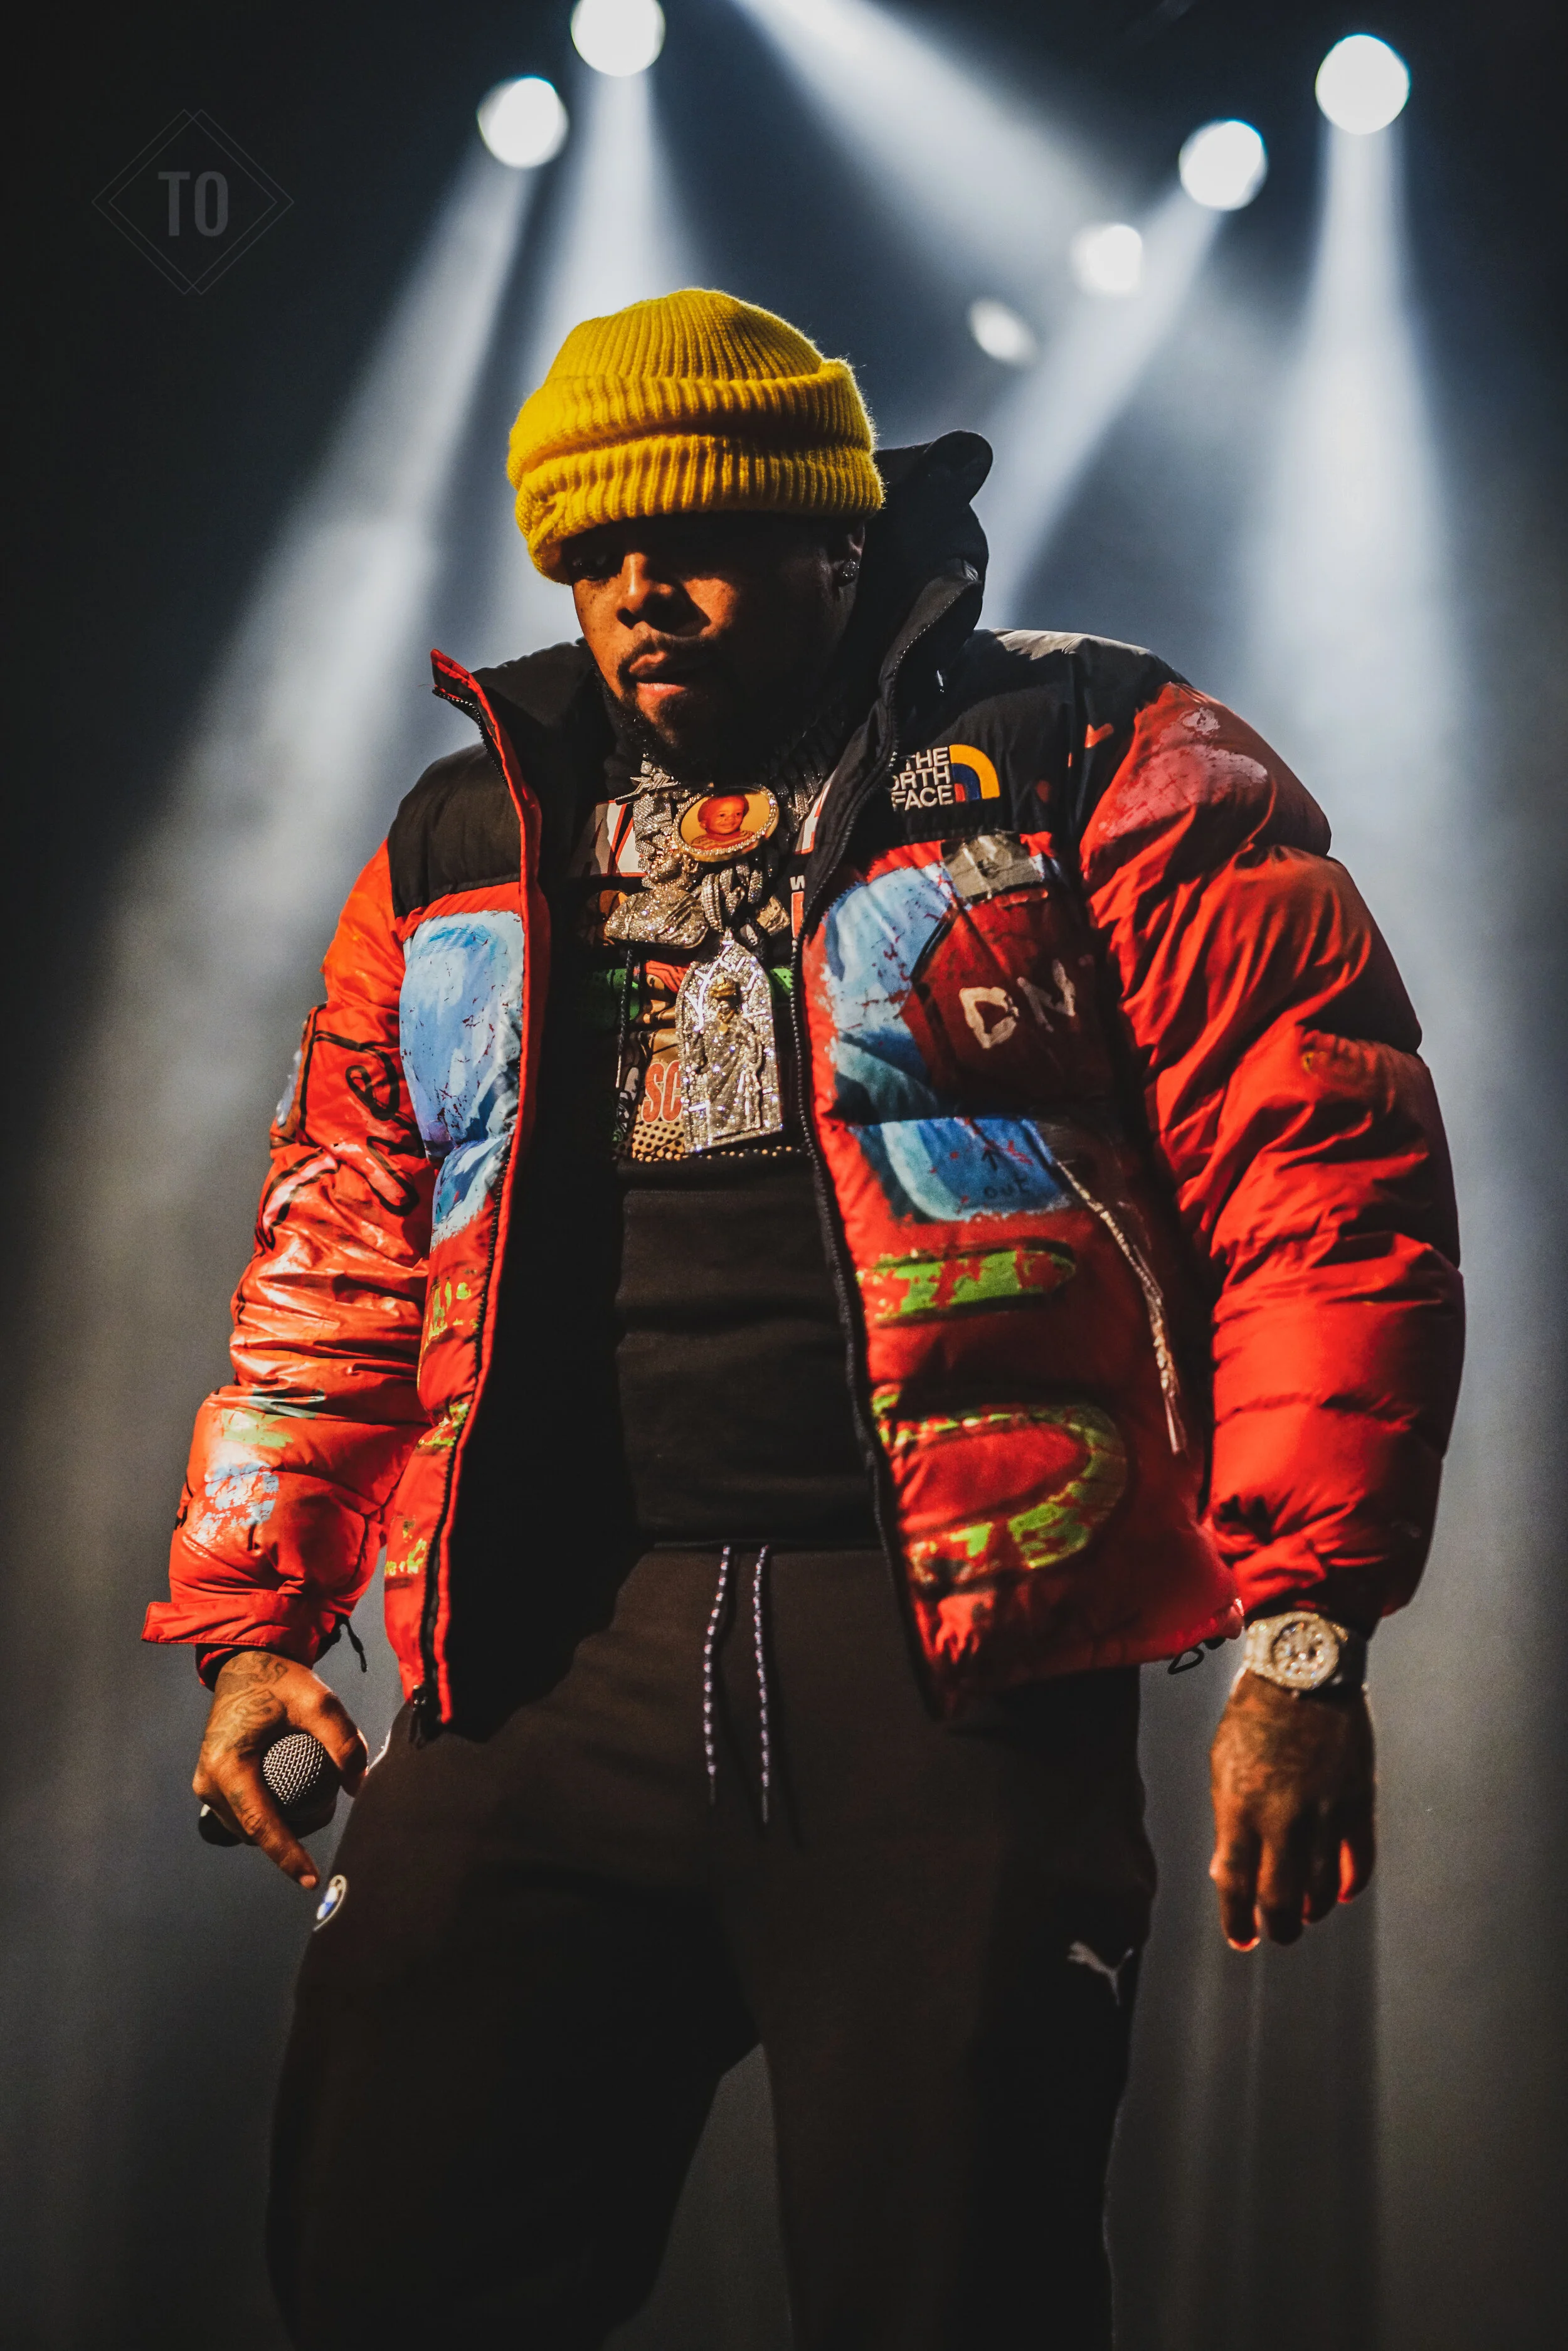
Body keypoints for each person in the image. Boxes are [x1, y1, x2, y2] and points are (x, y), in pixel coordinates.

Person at [144, 289, 1463, 2348]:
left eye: (688, 540)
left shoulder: (1095, 745)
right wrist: (254, 1619)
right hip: (549, 1661)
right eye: (586, 558)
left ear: (834, 532)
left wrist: (1306, 1640)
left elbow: (1324, 1185)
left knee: (954, 2295)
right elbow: (337, 1236)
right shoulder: (462, 833)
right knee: (384, 2270)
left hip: (946, 1665)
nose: (631, 598)